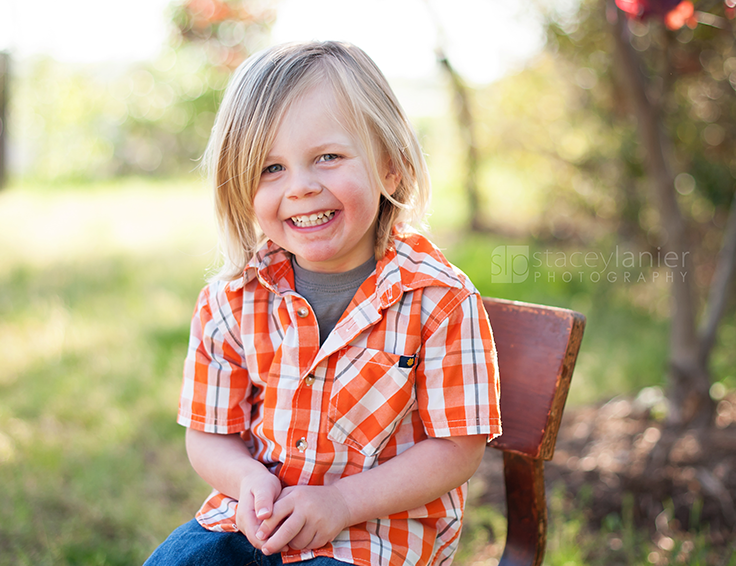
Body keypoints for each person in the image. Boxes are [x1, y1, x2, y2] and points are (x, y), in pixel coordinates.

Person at [144, 40, 501, 566]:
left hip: (375, 537)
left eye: (327, 158)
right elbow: (208, 434)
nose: (301, 188)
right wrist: (247, 480)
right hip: (255, 521)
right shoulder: (231, 299)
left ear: (391, 167)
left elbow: (457, 450)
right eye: (271, 168)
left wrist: (339, 502)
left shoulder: (438, 300)